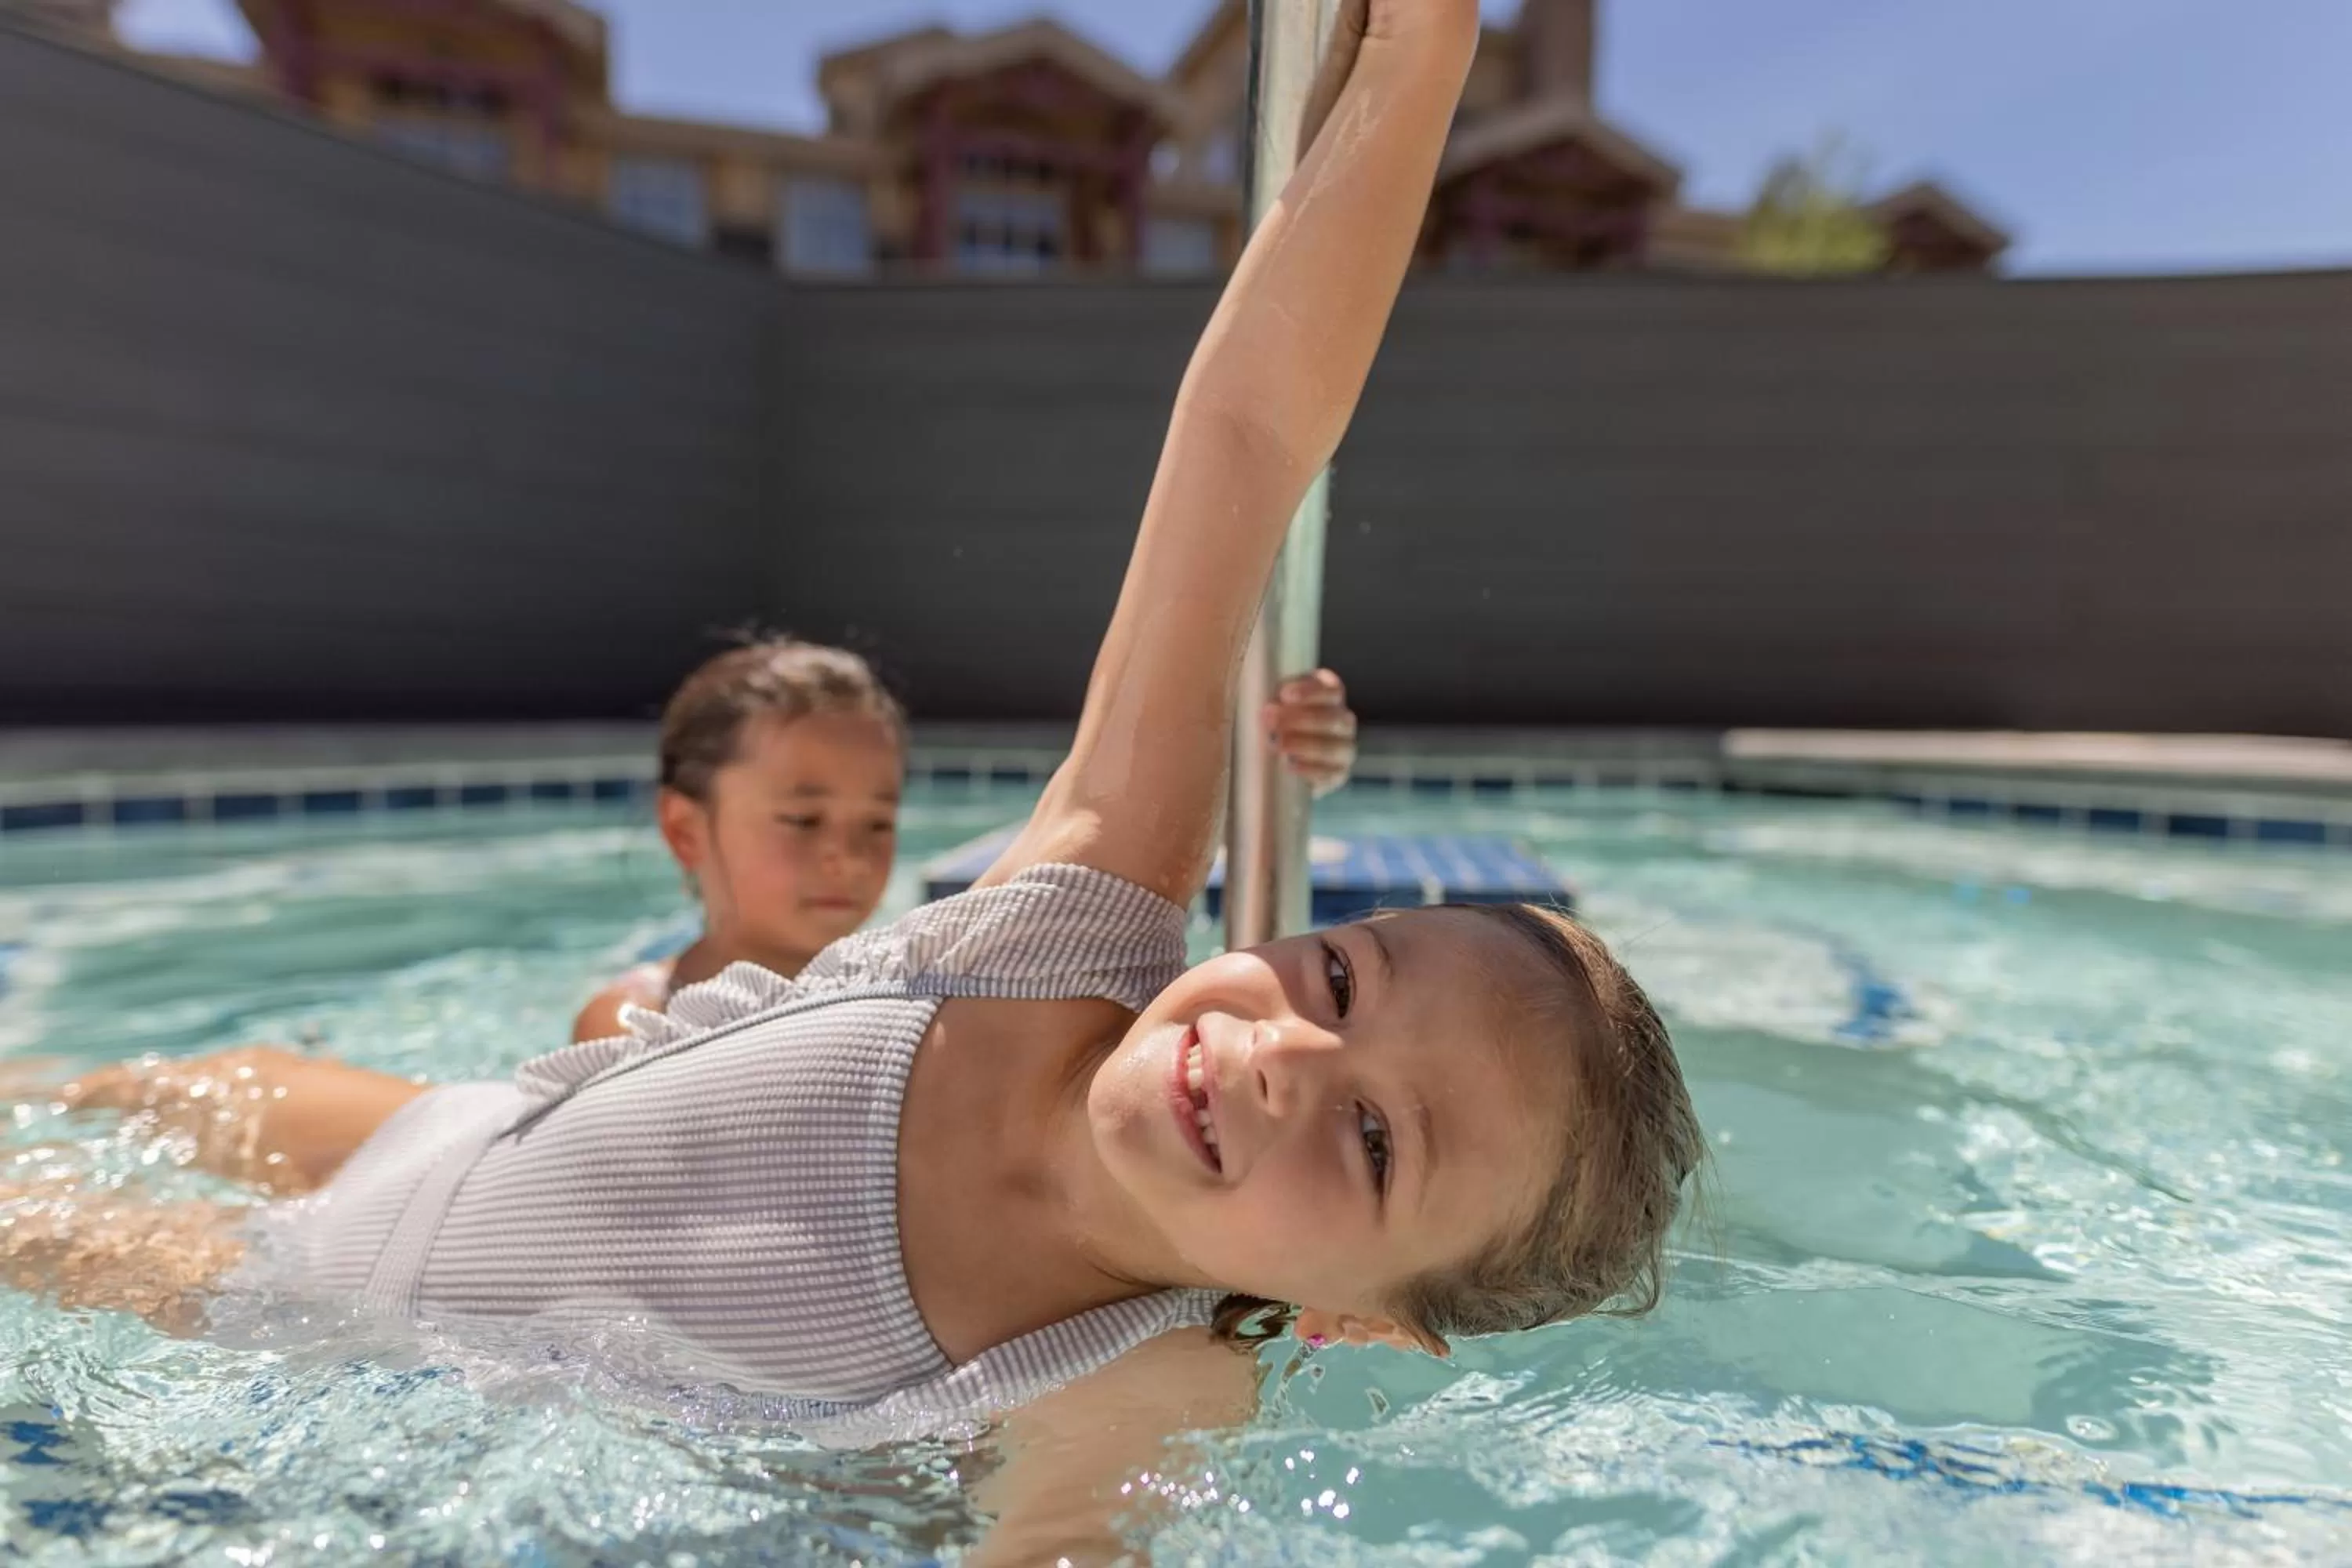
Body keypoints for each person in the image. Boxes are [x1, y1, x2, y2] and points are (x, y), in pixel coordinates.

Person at [6, 2, 1702, 1556]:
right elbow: (1249, 436)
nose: (1285, 1056)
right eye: (1336, 976)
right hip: (440, 1127)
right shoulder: (1066, 932)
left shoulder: (1134, 1375)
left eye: (1379, 1141)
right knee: (120, 1085)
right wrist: (1418, 57)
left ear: (1367, 1321)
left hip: (309, 1311)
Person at [568, 639, 1360, 1044]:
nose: (849, 854)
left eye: (878, 822)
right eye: (803, 819)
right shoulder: (634, 1020)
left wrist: (1261, 761)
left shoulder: (920, 980)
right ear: (684, 828)